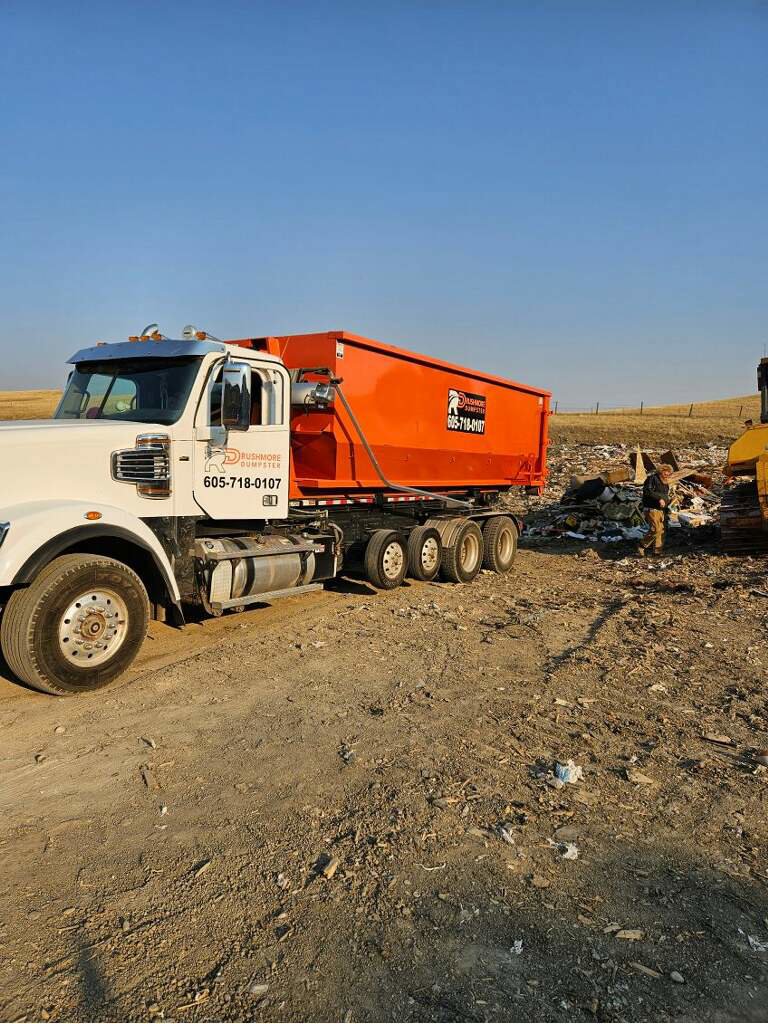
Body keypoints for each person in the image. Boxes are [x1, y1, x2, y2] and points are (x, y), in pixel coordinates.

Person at [637, 463, 673, 556]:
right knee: (655, 529)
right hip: (652, 508)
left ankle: (657, 551)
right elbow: (647, 491)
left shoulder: (665, 483)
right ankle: (642, 545)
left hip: (661, 510)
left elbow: (665, 495)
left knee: (661, 531)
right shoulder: (653, 478)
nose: (667, 474)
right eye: (666, 472)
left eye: (669, 472)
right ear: (661, 471)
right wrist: (659, 499)